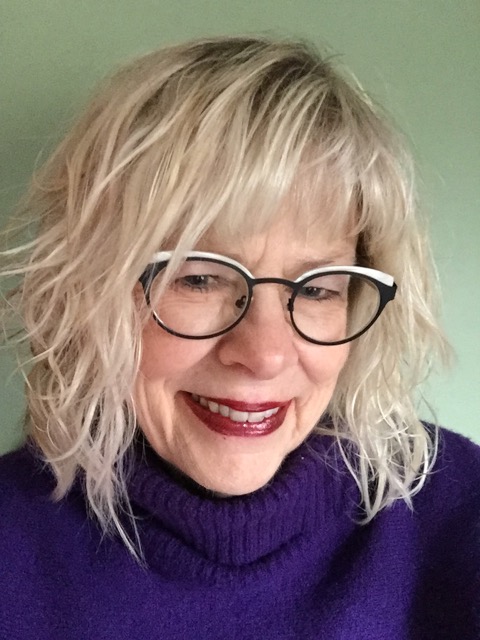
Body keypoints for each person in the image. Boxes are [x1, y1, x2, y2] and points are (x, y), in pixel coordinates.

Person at [0, 36, 479, 640]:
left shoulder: (454, 509)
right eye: (198, 278)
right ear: (91, 288)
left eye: (318, 288)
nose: (265, 354)